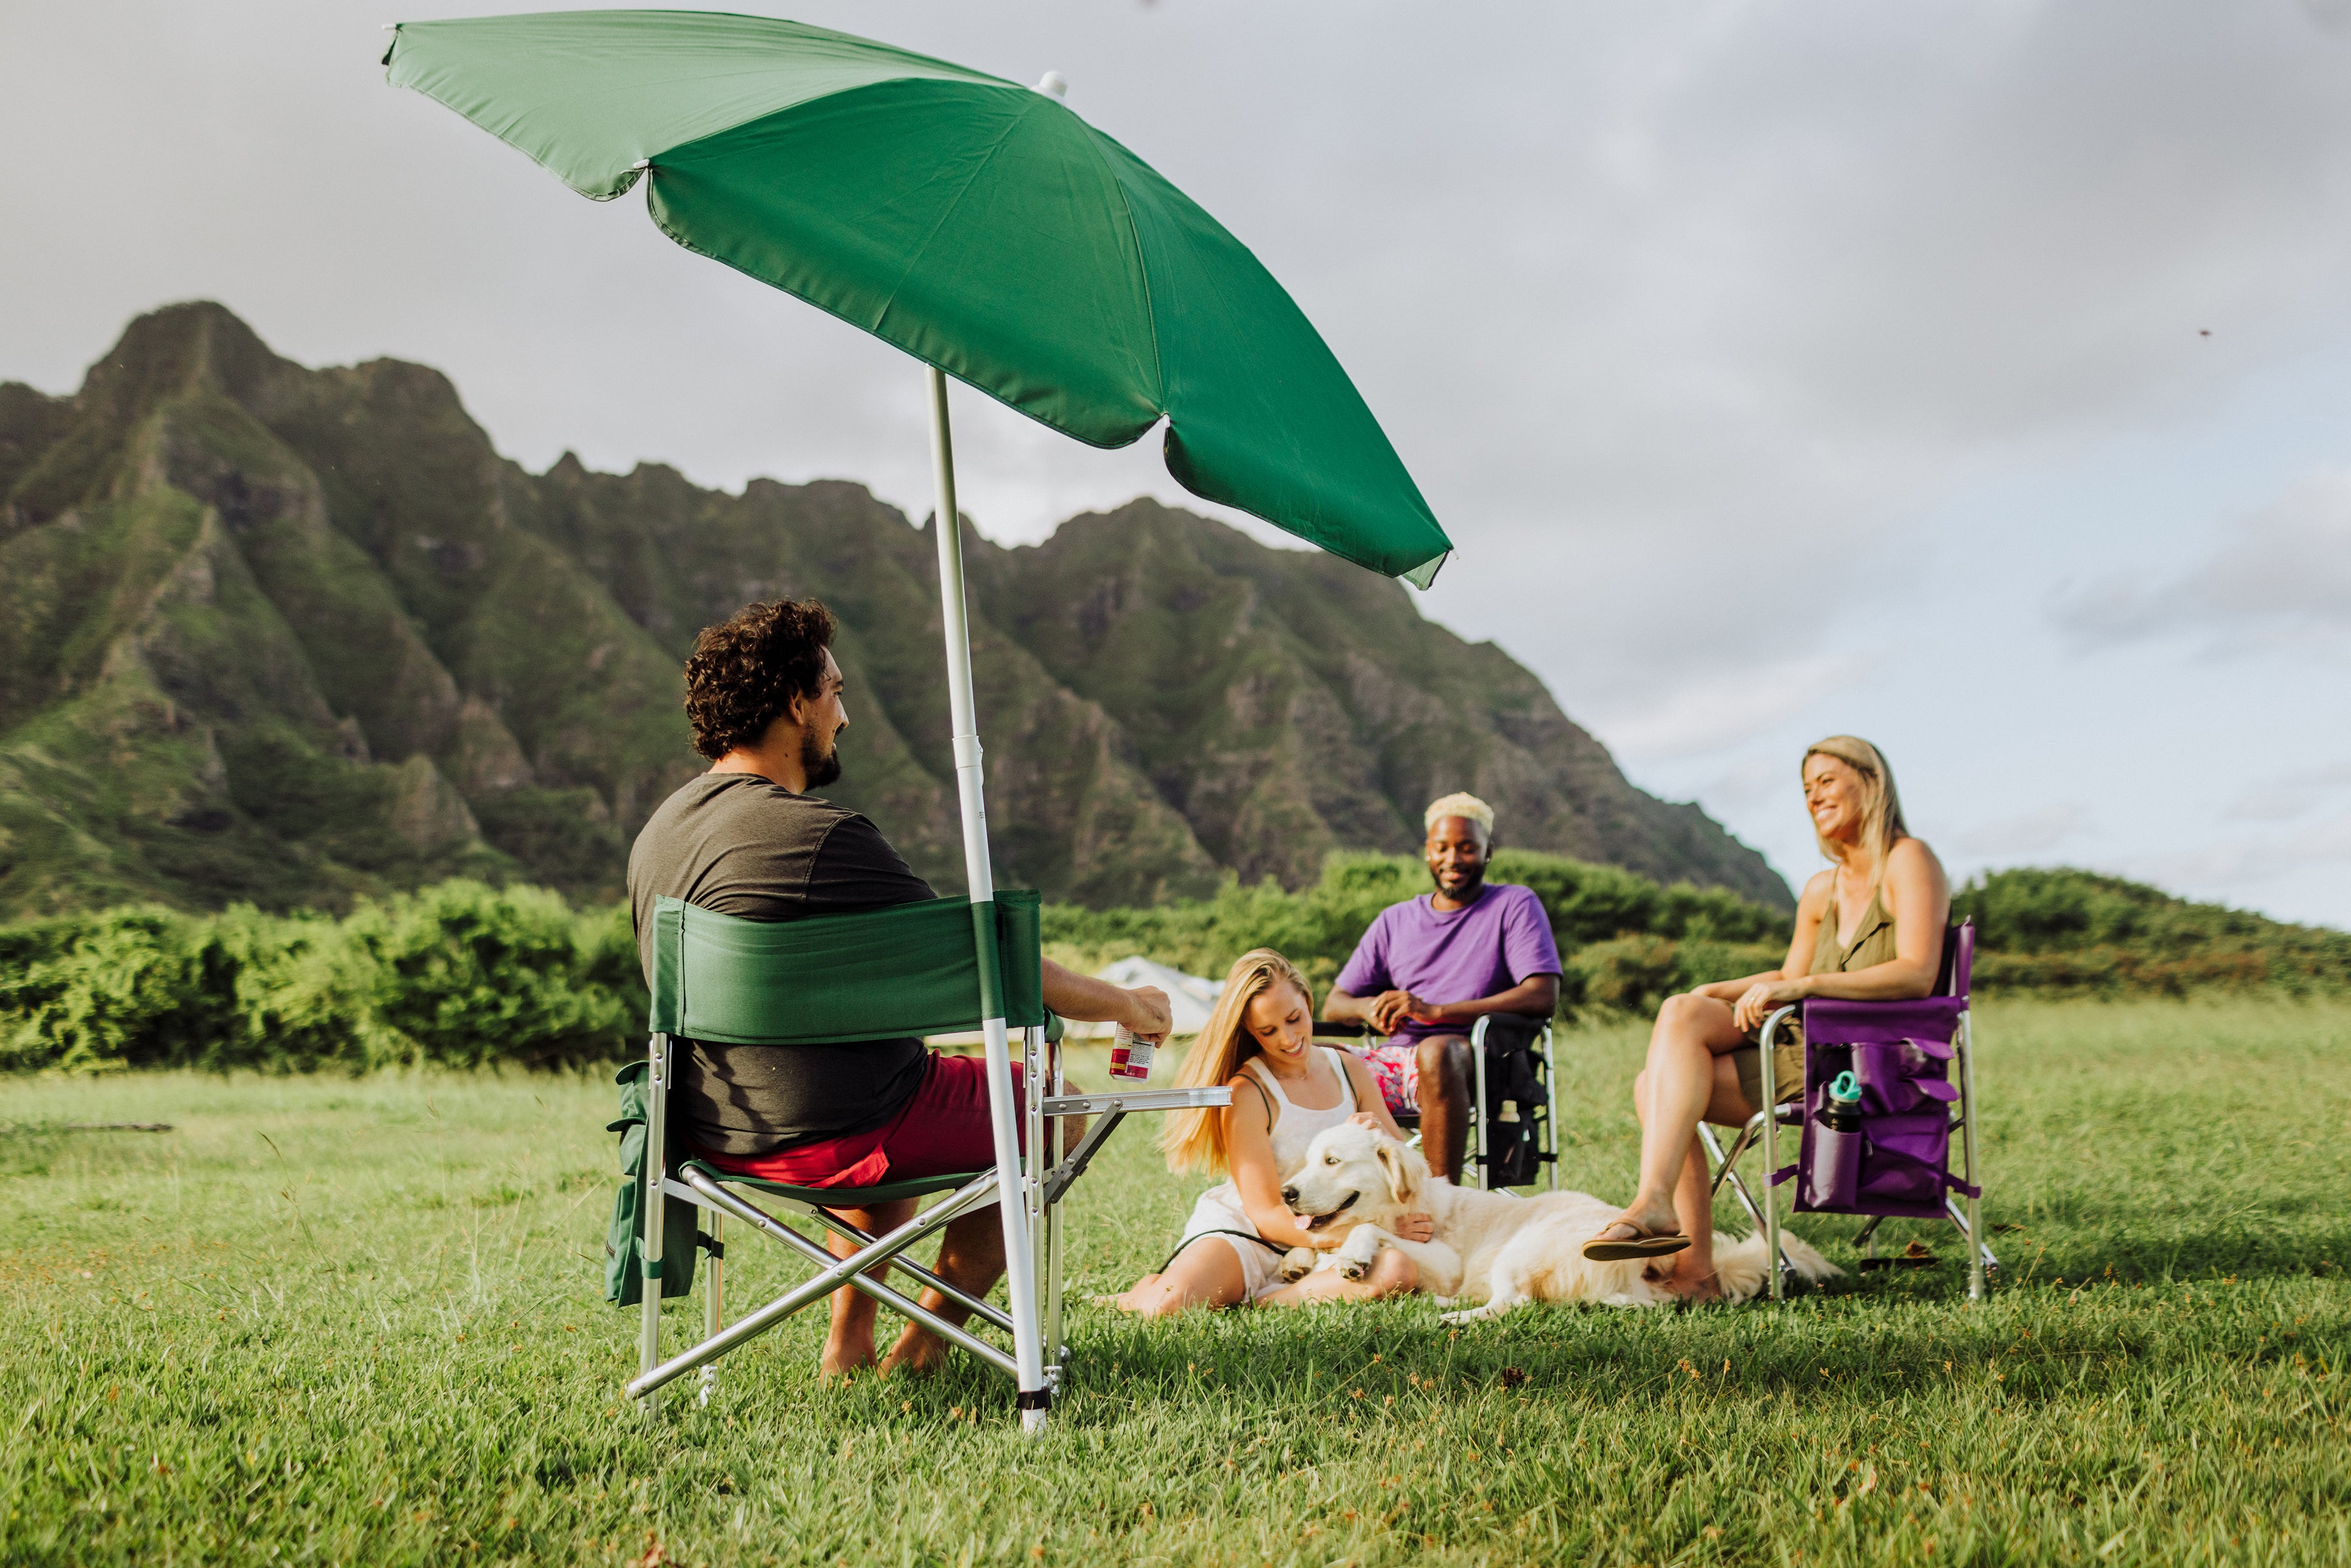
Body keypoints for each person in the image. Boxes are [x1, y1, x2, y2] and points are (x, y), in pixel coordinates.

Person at [628, 598, 1174, 1379]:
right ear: (795, 702)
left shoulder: (662, 831)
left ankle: (846, 1349)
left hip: (708, 1132)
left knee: (883, 1076)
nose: (844, 716)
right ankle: (924, 1348)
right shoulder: (819, 835)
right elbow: (991, 960)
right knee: (1053, 1104)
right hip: (836, 1132)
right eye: (836, 692)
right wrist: (1128, 1005)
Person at [1582, 735, 1951, 1301]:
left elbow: (1917, 973)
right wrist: (1716, 991)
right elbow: (1782, 983)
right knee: (1672, 1033)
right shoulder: (1820, 891)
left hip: (1869, 1068)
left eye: (1827, 780)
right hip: (1802, 1051)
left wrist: (1806, 985)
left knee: (1656, 1082)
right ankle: (1689, 1262)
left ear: (1871, 781)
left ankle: (1672, 1233)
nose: (1814, 796)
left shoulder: (1909, 859)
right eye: (1807, 788)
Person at [1108, 950, 1431, 1315]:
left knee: (1397, 1271)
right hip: (1251, 1234)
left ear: (1308, 1002)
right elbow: (1265, 1214)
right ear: (1249, 1030)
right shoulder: (1248, 1092)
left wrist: (1372, 1138)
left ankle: (1263, 1302)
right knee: (1166, 1306)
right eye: (1269, 1031)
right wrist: (1354, 1235)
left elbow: (1399, 1161)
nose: (1289, 1039)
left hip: (1334, 1233)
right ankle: (1138, 1294)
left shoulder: (1350, 1069)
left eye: (1295, 1019)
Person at [1321, 793, 1563, 1181]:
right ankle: (1304, 1207)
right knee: (1304, 1056)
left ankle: (1437, 1204)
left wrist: (1434, 1011)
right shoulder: (1394, 920)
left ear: (1488, 853)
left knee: (1435, 1051)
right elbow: (1336, 1004)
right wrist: (1370, 1009)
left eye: (1467, 848)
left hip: (1478, 1063)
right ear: (1428, 853)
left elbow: (1541, 995)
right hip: (1394, 1063)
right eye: (1442, 848)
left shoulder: (1514, 904)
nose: (1453, 859)